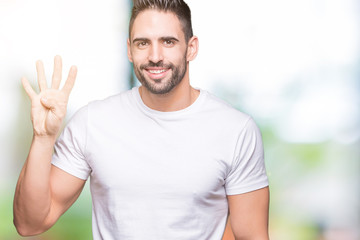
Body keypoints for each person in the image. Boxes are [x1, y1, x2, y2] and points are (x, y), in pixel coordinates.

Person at [14, 0, 270, 239]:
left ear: (191, 48)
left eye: (168, 41)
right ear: (129, 49)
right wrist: (43, 138)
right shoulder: (92, 123)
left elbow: (250, 235)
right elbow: (29, 223)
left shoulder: (235, 130)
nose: (155, 56)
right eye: (142, 43)